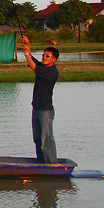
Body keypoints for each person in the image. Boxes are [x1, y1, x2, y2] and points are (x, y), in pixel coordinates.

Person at [21, 35, 59, 164]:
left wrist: (26, 52)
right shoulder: (43, 68)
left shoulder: (52, 71)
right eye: (43, 55)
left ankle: (51, 165)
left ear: (54, 59)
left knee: (46, 140)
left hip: (45, 111)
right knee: (37, 139)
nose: (44, 57)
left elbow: (33, 67)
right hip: (36, 109)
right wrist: (28, 47)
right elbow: (34, 62)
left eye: (47, 56)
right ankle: (42, 163)